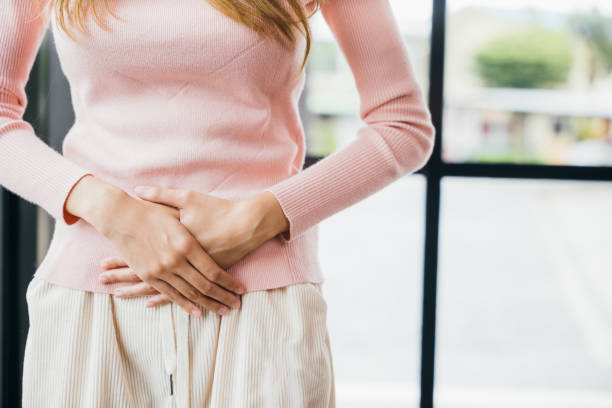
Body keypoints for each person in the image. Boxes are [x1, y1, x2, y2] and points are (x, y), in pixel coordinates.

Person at [1, 0, 435, 406]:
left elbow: (402, 125)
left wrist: (257, 218)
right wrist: (111, 209)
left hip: (261, 302)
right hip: (92, 297)